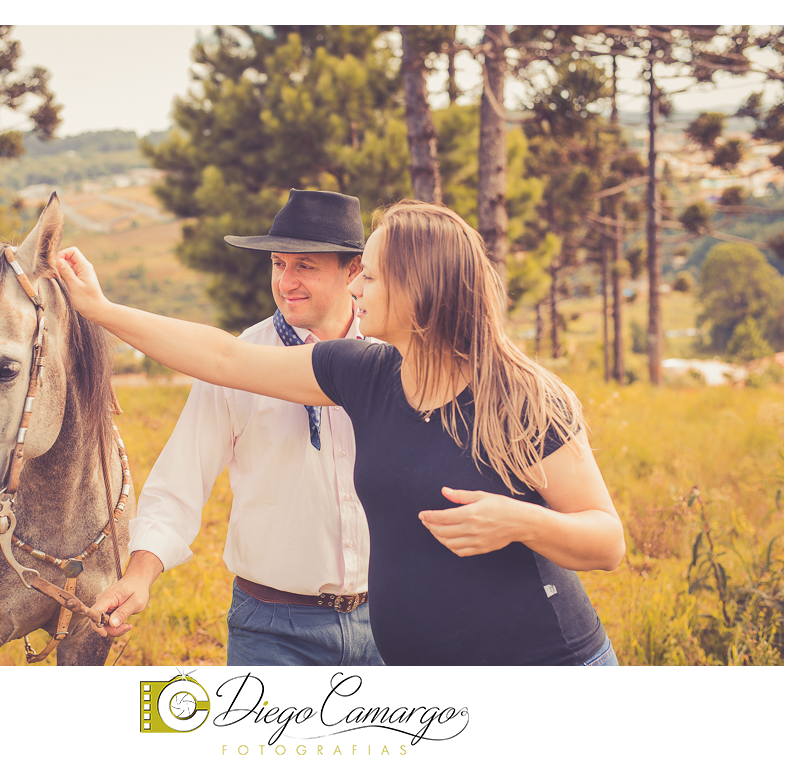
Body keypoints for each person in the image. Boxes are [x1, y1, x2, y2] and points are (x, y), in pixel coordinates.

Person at [60, 200, 625, 666]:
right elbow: (223, 358)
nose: (360, 291)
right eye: (279, 265)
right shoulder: (366, 374)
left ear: (416, 287)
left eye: (371, 277)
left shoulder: (521, 396)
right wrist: (101, 309)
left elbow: (608, 542)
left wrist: (519, 521)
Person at [88, 189, 384, 666]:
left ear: (353, 271)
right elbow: (177, 483)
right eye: (278, 264)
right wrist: (139, 575)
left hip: (391, 621)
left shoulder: (393, 355)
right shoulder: (239, 364)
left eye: (305, 266)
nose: (286, 281)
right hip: (275, 631)